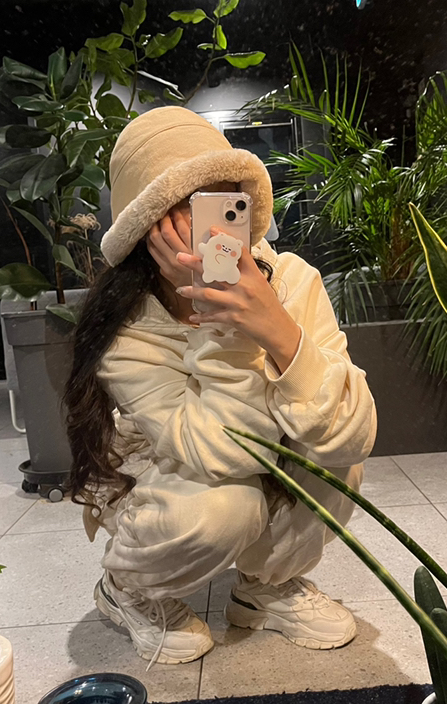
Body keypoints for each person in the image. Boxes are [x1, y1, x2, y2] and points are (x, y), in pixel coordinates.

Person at [64, 106, 377, 669]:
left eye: (223, 200)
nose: (212, 227)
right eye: (185, 205)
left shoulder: (293, 280)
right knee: (227, 508)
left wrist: (276, 328)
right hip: (165, 478)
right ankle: (128, 586)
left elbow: (354, 433)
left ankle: (263, 586)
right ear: (146, 229)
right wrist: (227, 326)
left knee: (335, 459)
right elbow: (217, 454)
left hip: (252, 452)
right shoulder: (128, 330)